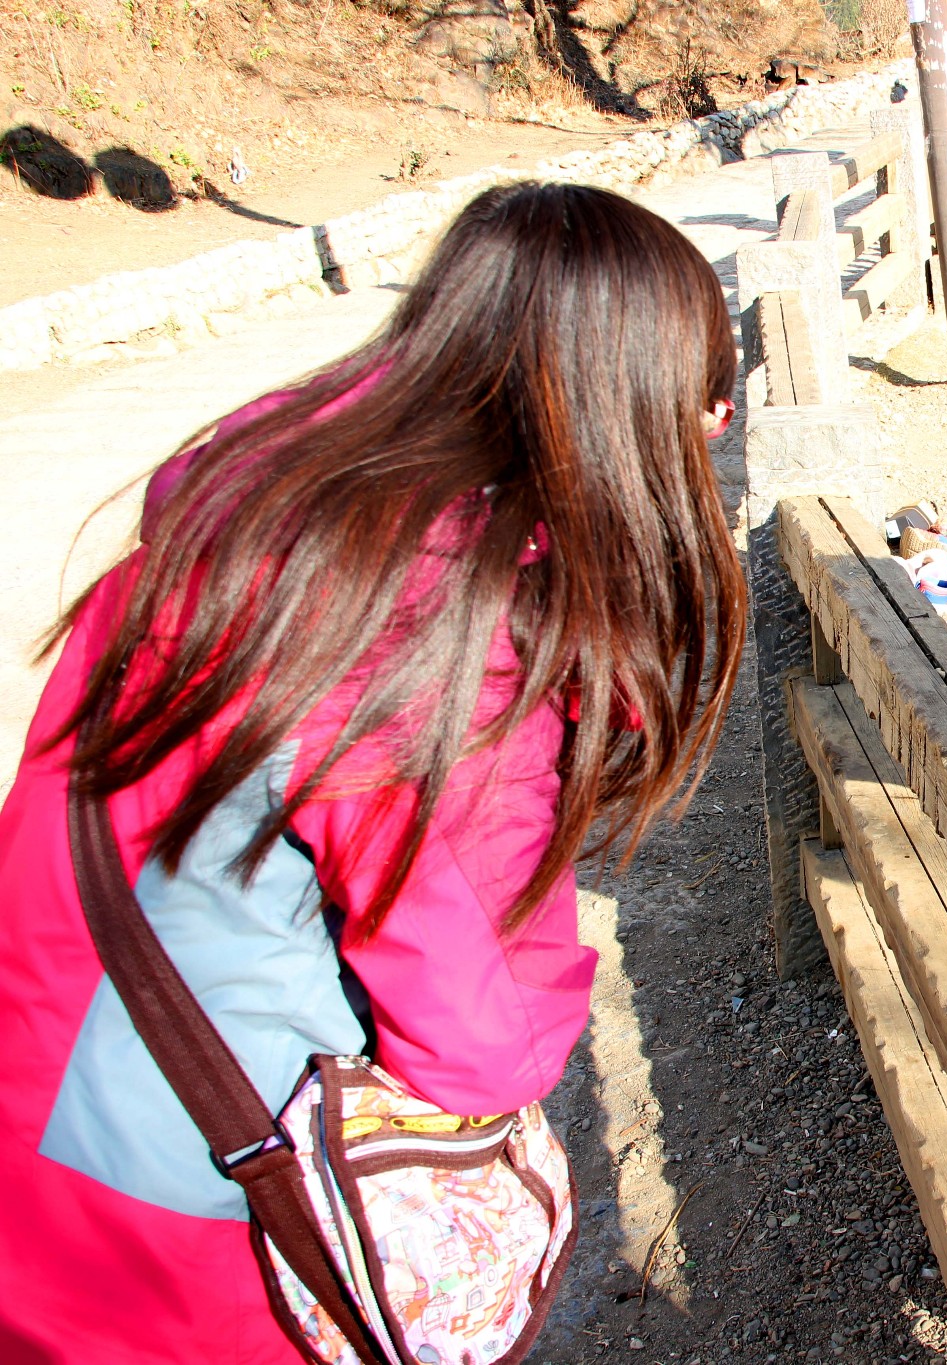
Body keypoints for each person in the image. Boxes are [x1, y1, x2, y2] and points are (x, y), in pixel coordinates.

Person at [0, 181, 745, 1363]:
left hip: (41, 1114)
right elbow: (477, 1039)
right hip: (193, 1234)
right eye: (703, 398)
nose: (710, 426)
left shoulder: (245, 518)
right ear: (617, 403)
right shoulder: (427, 632)